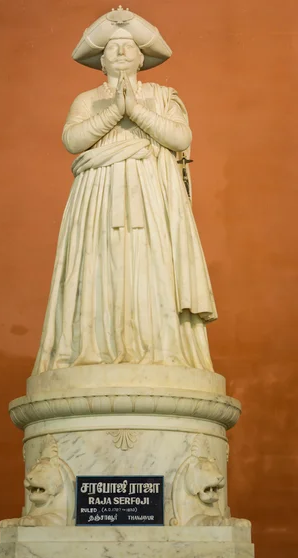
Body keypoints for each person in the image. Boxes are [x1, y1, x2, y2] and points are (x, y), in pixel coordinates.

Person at [33, 7, 217, 376]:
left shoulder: (164, 96)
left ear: (142, 58)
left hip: (152, 196)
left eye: (127, 46)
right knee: (102, 262)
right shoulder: (87, 100)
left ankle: (160, 349)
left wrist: (136, 109)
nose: (120, 52)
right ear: (100, 61)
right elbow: (72, 140)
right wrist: (116, 111)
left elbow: (181, 137)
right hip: (99, 195)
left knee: (152, 263)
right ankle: (98, 347)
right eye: (112, 47)